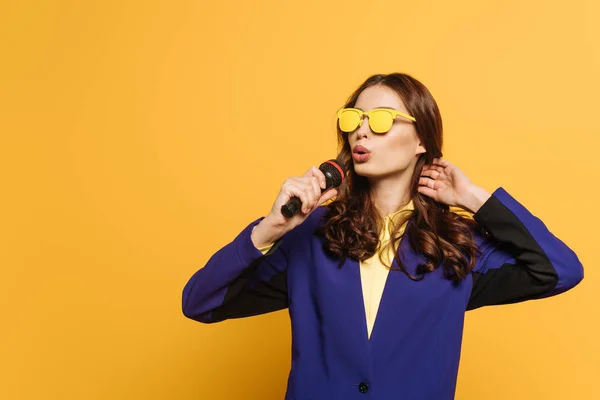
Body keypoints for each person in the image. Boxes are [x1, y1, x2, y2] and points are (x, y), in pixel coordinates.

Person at [181, 73, 584, 400]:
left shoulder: (455, 244)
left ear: (421, 140)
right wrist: (270, 228)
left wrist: (476, 199)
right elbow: (199, 302)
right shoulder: (311, 236)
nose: (362, 133)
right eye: (353, 120)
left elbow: (561, 269)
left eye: (381, 120)